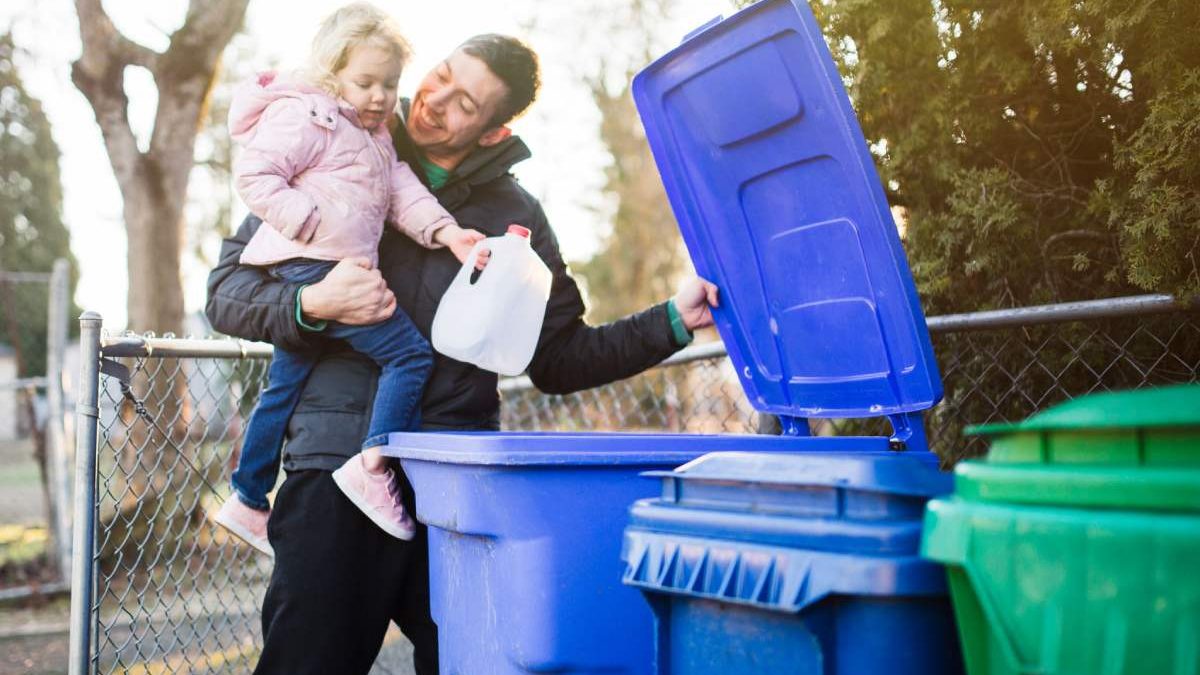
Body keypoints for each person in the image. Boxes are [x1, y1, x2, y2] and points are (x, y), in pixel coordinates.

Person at [205, 32, 719, 675]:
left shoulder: (514, 215)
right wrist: (312, 305)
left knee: (470, 665)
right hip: (334, 473)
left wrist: (671, 321)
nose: (434, 101)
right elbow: (226, 292)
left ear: (494, 133)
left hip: (454, 486)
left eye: (465, 104)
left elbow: (559, 358)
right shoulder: (339, 143)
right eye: (441, 75)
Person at [211, 3, 491, 555]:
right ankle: (374, 464)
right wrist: (306, 222)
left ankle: (247, 497)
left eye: (389, 84)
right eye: (364, 82)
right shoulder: (309, 116)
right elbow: (253, 173)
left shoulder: (376, 136)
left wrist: (447, 232)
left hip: (326, 265)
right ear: (332, 74)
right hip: (313, 265)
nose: (380, 96)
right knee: (409, 356)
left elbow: (402, 192)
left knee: (283, 387)